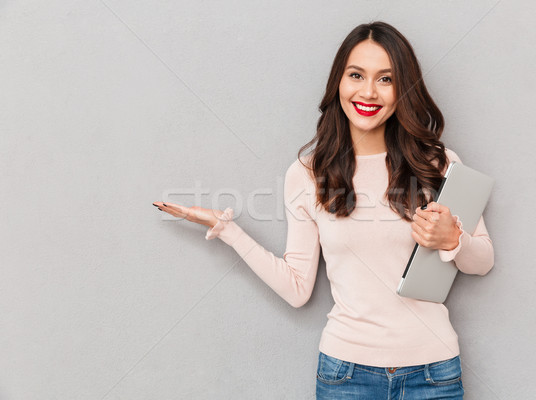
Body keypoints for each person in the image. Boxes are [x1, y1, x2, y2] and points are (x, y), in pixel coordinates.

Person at [153, 21, 493, 400]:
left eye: (385, 79)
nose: (368, 91)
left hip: (434, 373)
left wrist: (454, 239)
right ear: (338, 82)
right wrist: (229, 231)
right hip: (346, 377)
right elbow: (298, 288)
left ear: (403, 89)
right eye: (356, 75)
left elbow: (484, 261)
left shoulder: (437, 163)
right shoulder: (306, 174)